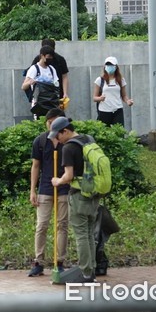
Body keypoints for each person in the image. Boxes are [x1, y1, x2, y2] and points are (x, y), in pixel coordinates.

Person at [49, 116, 99, 283]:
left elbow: (69, 176)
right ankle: (91, 270)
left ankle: (85, 273)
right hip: (93, 194)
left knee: (81, 235)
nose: (57, 139)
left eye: (58, 135)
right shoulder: (88, 140)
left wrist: (58, 181)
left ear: (66, 131)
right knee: (90, 233)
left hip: (78, 196)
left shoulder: (69, 148)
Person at [28, 108, 70, 277]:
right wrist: (33, 190)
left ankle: (59, 261)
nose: (51, 124)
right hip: (45, 188)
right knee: (41, 225)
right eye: (49, 122)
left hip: (64, 188)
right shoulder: (40, 141)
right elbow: (35, 166)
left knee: (62, 225)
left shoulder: (67, 141)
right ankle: (38, 262)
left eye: (55, 121)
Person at [93, 56, 134, 127]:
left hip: (117, 110)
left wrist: (128, 101)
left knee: (119, 133)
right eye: (107, 65)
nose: (109, 67)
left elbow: (124, 95)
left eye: (111, 65)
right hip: (104, 111)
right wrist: (100, 98)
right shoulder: (100, 80)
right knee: (103, 134)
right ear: (105, 66)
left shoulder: (121, 80)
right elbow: (94, 98)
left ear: (116, 67)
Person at [22, 46, 60, 119]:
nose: (50, 59)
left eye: (52, 57)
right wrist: (30, 82)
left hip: (51, 103)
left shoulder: (52, 69)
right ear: (42, 56)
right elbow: (23, 86)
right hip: (38, 103)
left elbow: (56, 86)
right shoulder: (34, 69)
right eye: (48, 57)